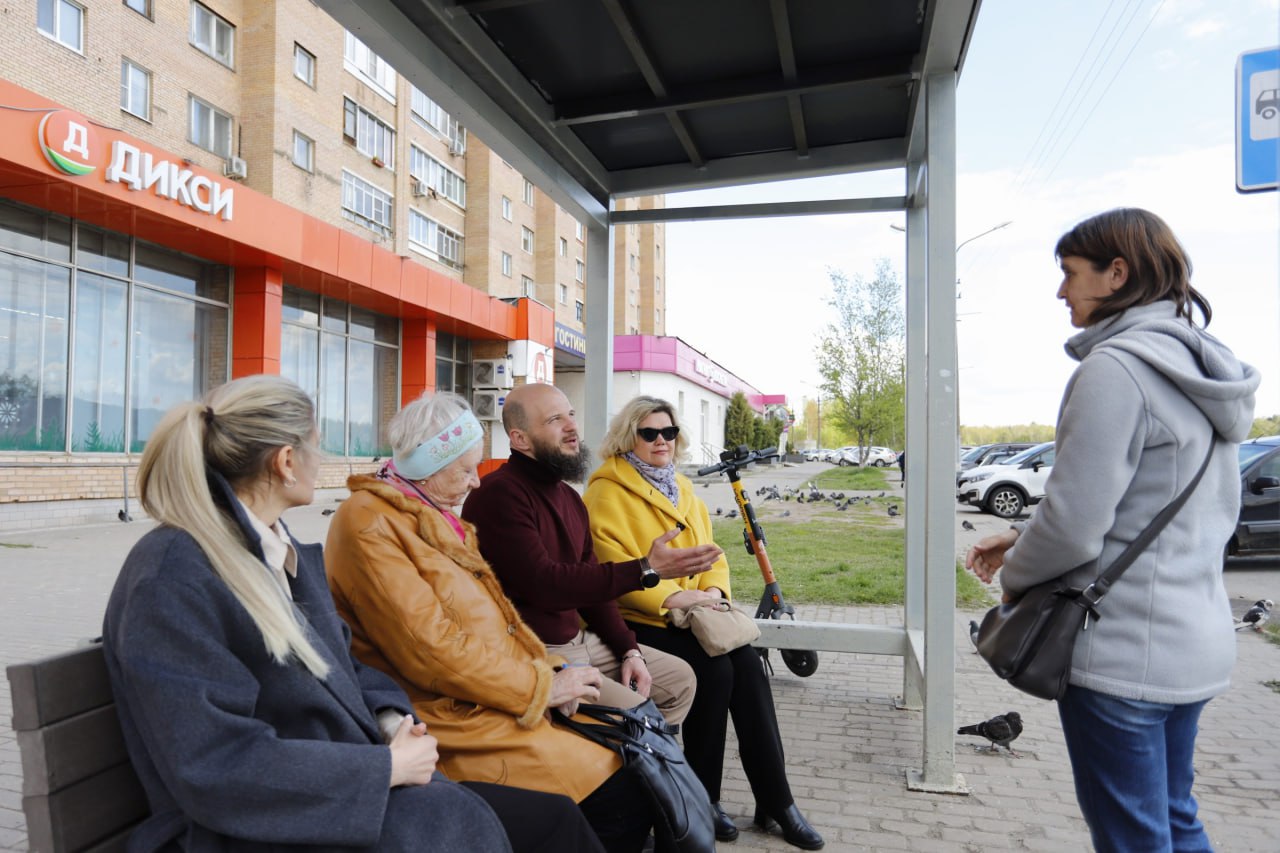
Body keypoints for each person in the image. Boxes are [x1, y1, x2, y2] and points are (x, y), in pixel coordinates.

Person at [102, 375, 597, 853]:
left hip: (333, 790)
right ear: (287, 462)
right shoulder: (173, 575)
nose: (325, 462)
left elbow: (348, 664)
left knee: (553, 821)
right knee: (538, 823)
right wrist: (385, 769)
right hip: (270, 823)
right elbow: (212, 761)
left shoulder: (271, 547)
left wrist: (391, 724)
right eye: (319, 447)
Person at [966, 208, 1260, 853]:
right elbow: (1152, 504)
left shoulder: (1115, 370)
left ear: (1116, 274)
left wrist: (1014, 583)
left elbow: (1074, 525)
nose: (1061, 291)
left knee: (1131, 837)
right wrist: (1019, 536)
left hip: (1124, 650)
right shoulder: (1209, 374)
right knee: (1175, 819)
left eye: (1070, 273)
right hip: (1197, 642)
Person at [324, 390, 652, 852]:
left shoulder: (427, 514)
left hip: (485, 695)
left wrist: (547, 674)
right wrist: (541, 687)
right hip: (449, 714)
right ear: (426, 465)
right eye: (464, 469)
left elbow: (496, 623)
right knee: (619, 792)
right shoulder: (370, 523)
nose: (475, 483)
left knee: (631, 769)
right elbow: (430, 649)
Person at [582, 395, 825, 851]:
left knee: (749, 667)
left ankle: (777, 800)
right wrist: (676, 596)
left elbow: (713, 556)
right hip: (641, 616)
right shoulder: (605, 492)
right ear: (627, 437)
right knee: (714, 671)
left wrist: (712, 594)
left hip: (696, 612)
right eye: (649, 433)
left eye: (669, 433)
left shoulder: (683, 489)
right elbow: (611, 568)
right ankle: (703, 798)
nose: (661, 441)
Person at [462, 382, 717, 724]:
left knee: (679, 679)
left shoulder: (568, 497)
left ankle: (649, 766)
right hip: (535, 651)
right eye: (554, 420)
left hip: (581, 641)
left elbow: (592, 587)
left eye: (570, 414)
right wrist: (644, 568)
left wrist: (629, 650)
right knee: (640, 720)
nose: (572, 427)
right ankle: (633, 764)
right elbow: (545, 584)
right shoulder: (499, 495)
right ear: (520, 439)